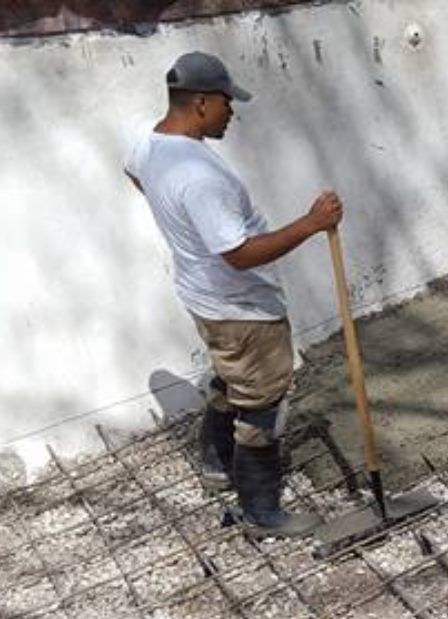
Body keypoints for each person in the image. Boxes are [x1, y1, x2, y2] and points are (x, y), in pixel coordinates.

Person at [125, 50, 342, 537]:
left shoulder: (150, 141)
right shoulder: (199, 177)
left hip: (203, 296)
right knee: (263, 399)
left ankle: (217, 466)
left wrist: (172, 217)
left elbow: (132, 170)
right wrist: (312, 223)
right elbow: (240, 254)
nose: (232, 112)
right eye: (227, 103)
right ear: (201, 102)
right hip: (240, 307)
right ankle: (261, 510)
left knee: (232, 378)